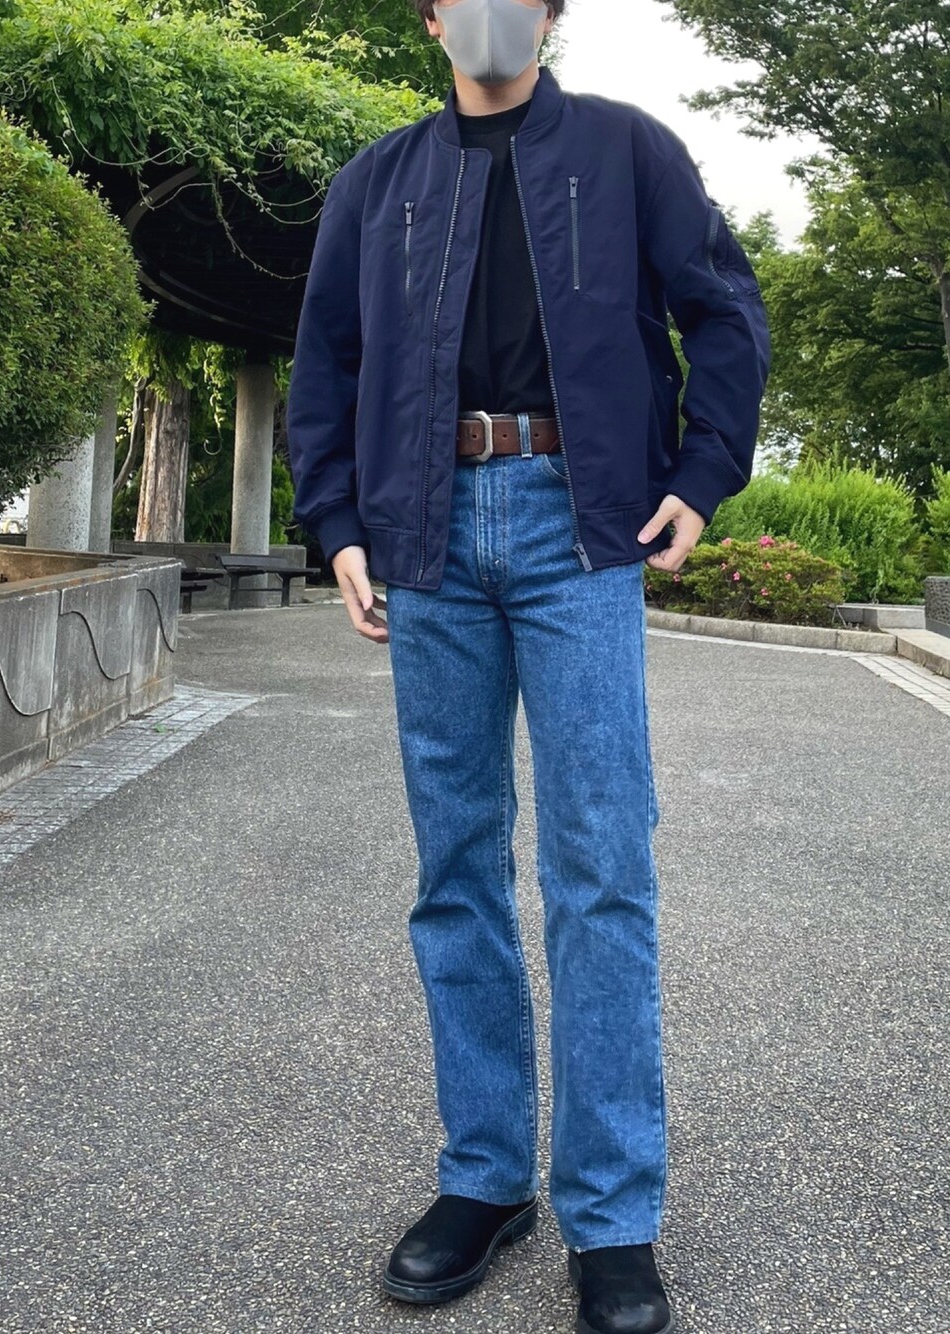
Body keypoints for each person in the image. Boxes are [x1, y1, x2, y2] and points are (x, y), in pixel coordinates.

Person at [285, 2, 771, 1330]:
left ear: (551, 11)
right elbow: (324, 362)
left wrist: (703, 474)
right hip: (424, 529)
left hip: (582, 524)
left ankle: (611, 1215)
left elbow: (724, 310)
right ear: (432, 15)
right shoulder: (375, 181)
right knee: (455, 863)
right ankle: (486, 1176)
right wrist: (338, 525)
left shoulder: (628, 150)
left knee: (601, 864)